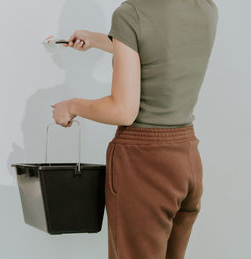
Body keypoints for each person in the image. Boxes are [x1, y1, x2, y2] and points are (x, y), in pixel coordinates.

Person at [50, 0, 218, 258]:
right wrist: (99, 40)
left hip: (144, 164)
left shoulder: (131, 13)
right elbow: (161, 47)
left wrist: (73, 106)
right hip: (186, 160)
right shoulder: (205, 7)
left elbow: (123, 110)